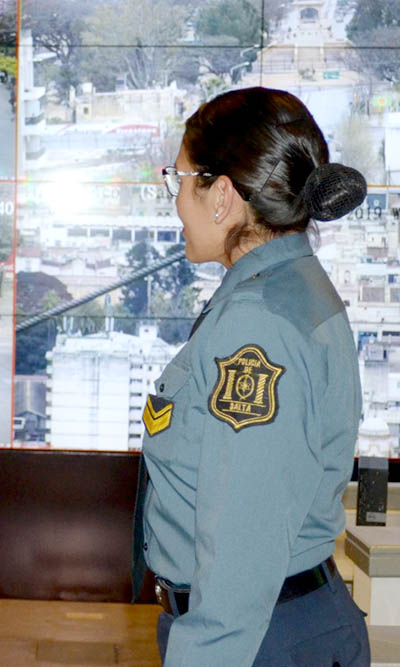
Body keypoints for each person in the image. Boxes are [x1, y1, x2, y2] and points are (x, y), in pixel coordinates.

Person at [133, 87, 369, 666]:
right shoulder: (290, 287)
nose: (176, 201)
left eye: (181, 180)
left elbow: (242, 551)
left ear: (222, 197)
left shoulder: (257, 326)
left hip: (254, 640)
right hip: (281, 626)